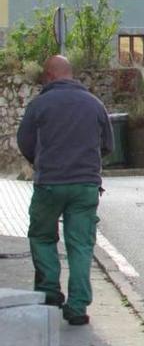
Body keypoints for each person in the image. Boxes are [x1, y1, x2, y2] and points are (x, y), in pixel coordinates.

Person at [16, 55, 114, 326]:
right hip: (85, 186)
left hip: (49, 184)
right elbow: (108, 144)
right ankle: (78, 307)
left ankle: (49, 291)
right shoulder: (95, 104)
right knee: (80, 245)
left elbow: (24, 141)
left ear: (48, 75)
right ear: (71, 75)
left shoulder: (39, 105)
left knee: (42, 236)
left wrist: (41, 161)